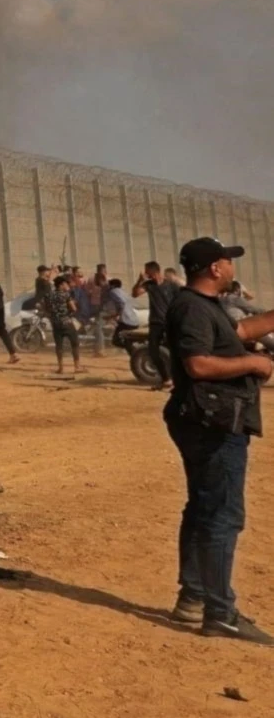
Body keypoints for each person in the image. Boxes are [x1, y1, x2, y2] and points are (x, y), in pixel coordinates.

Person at [163, 237, 274, 643]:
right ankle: (220, 612)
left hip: (210, 420)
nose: (232, 267)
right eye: (228, 261)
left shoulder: (206, 306)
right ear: (215, 268)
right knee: (222, 515)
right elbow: (198, 364)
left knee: (204, 508)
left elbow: (240, 330)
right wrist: (254, 362)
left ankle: (193, 598)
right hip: (212, 424)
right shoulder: (192, 307)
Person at [135, 261, 181, 389]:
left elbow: (180, 300)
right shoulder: (149, 285)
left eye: (147, 271)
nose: (146, 274)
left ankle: (178, 379)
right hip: (155, 323)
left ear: (154, 271)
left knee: (175, 351)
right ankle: (166, 379)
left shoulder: (170, 285)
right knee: (153, 351)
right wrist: (139, 280)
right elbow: (135, 293)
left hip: (169, 322)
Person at [44, 273, 81, 374]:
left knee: (59, 346)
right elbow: (74, 308)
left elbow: (46, 309)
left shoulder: (49, 295)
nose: (67, 285)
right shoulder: (66, 295)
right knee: (75, 343)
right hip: (67, 322)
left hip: (55, 323)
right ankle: (77, 367)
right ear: (61, 285)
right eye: (66, 284)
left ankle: (61, 368)